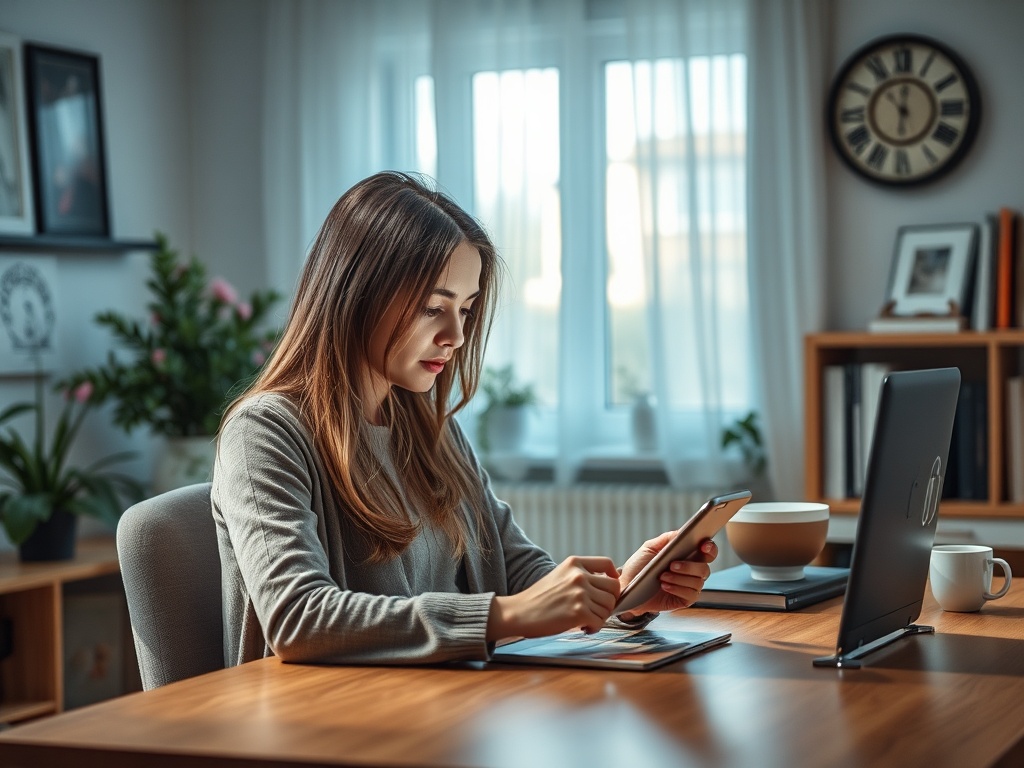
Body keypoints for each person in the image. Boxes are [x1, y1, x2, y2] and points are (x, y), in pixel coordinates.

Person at [211, 170, 718, 667]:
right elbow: (299, 618)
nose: (455, 335)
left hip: (438, 712)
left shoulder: (431, 429)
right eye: (435, 307)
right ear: (358, 294)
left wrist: (623, 596)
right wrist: (510, 615)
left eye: (467, 310)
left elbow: (515, 572)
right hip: (328, 727)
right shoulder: (264, 433)